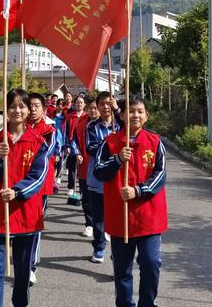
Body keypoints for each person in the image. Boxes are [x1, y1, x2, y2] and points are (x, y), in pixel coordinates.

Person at [94, 96, 167, 307]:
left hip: (149, 218)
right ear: (122, 115)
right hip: (121, 217)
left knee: (151, 264)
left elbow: (160, 176)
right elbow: (98, 172)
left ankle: (147, 303)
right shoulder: (110, 143)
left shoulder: (155, 142)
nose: (135, 115)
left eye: (140, 111)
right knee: (122, 270)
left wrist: (138, 190)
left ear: (146, 116)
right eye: (131, 111)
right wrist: (117, 160)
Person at [0, 88, 49, 307]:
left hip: (26, 217)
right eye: (12, 106)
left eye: (22, 106)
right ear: (5, 111)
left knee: (22, 275)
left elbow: (38, 177)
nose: (17, 110)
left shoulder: (39, 142)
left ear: (29, 110)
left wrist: (17, 192)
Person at [85, 91, 121, 263]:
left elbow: (129, 138)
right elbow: (90, 148)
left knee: (117, 216)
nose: (106, 107)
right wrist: (111, 143)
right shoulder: (92, 127)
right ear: (97, 107)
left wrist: (119, 111)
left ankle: (118, 252)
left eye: (109, 103)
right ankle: (99, 247)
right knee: (98, 216)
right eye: (102, 104)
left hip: (119, 177)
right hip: (97, 177)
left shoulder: (121, 123)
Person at [28, 92, 59, 285]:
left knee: (34, 226)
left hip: (39, 186)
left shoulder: (49, 131)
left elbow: (45, 154)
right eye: (29, 105)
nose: (32, 109)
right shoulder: (14, 128)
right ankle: (22, 257)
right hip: (15, 185)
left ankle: (31, 266)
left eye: (36, 106)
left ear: (44, 109)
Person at [73, 98, 99, 237]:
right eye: (91, 108)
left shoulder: (108, 126)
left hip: (102, 169)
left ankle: (103, 225)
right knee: (87, 198)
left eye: (96, 108)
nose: (93, 111)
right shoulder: (81, 125)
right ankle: (89, 224)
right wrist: (77, 153)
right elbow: (75, 143)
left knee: (103, 199)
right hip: (85, 168)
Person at [64, 95, 86, 196]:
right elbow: (66, 132)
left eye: (81, 102)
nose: (79, 104)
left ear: (84, 104)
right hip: (72, 145)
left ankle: (82, 188)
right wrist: (67, 145)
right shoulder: (69, 117)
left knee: (82, 168)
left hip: (83, 145)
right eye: (77, 102)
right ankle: (71, 187)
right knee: (72, 167)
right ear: (74, 104)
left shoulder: (87, 117)